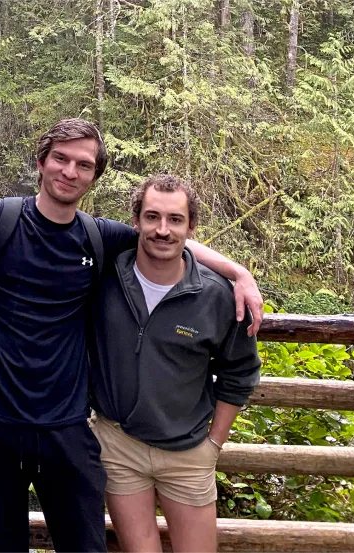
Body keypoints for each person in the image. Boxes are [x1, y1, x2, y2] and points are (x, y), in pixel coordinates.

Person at [0, 118, 264, 552]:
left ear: (94, 176)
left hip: (68, 429)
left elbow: (164, 236)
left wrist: (237, 271)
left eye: (83, 165)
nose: (70, 171)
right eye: (61, 159)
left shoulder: (97, 237)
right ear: (41, 162)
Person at [88, 174, 260, 553]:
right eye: (152, 217)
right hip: (119, 446)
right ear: (136, 222)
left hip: (189, 451)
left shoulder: (216, 296)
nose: (162, 230)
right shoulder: (106, 275)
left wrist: (213, 443)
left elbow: (240, 373)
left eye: (175, 219)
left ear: (191, 227)